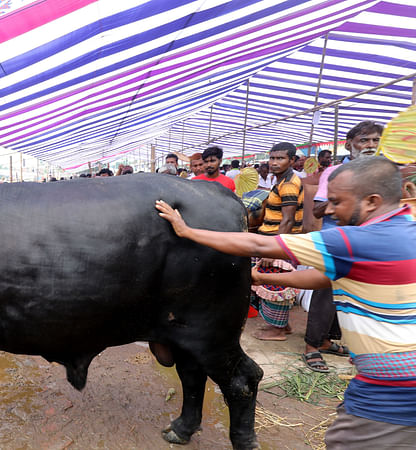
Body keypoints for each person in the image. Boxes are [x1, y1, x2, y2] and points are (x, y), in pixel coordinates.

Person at [155, 156, 415, 448]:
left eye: (337, 202)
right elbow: (326, 278)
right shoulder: (408, 228)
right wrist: (262, 279)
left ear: (371, 202)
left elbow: (258, 244)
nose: (328, 210)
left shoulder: (355, 241)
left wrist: (187, 231)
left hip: (394, 387)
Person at [302, 122, 383, 371]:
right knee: (326, 290)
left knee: (348, 293)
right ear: (349, 145)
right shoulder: (336, 172)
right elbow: (317, 209)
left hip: (367, 238)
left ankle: (327, 340)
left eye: (375, 141)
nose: (370, 146)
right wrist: (346, 201)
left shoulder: (382, 172)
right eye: (364, 140)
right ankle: (312, 346)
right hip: (338, 237)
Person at [251, 142, 304, 340]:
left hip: (278, 242)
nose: (274, 162)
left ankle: (278, 331)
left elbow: (288, 219)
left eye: (280, 158)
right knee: (272, 284)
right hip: (274, 240)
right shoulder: (282, 181)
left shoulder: (289, 184)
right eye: (272, 158)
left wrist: (273, 250)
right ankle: (282, 325)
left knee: (275, 286)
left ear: (292, 160)